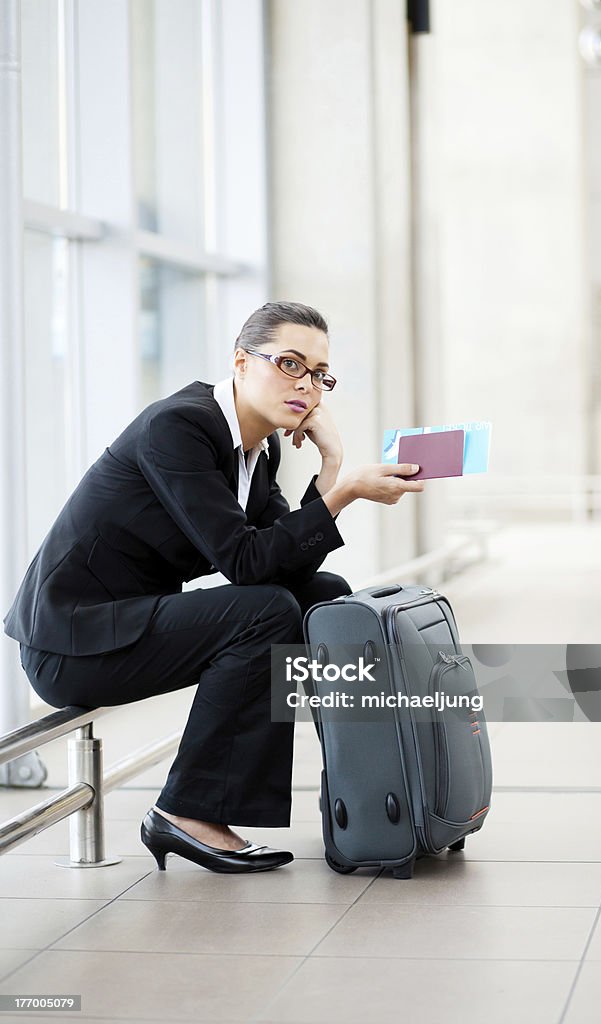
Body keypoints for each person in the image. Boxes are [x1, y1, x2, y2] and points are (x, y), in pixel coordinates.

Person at [3, 301, 424, 874]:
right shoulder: (179, 427)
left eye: (319, 374)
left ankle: (366, 795)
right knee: (269, 612)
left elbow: (285, 566)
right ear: (242, 362)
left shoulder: (258, 447)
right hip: (73, 641)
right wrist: (344, 493)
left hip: (131, 621)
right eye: (290, 364)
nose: (307, 386)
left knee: (322, 592)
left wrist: (331, 464)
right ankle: (188, 812)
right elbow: (247, 564)